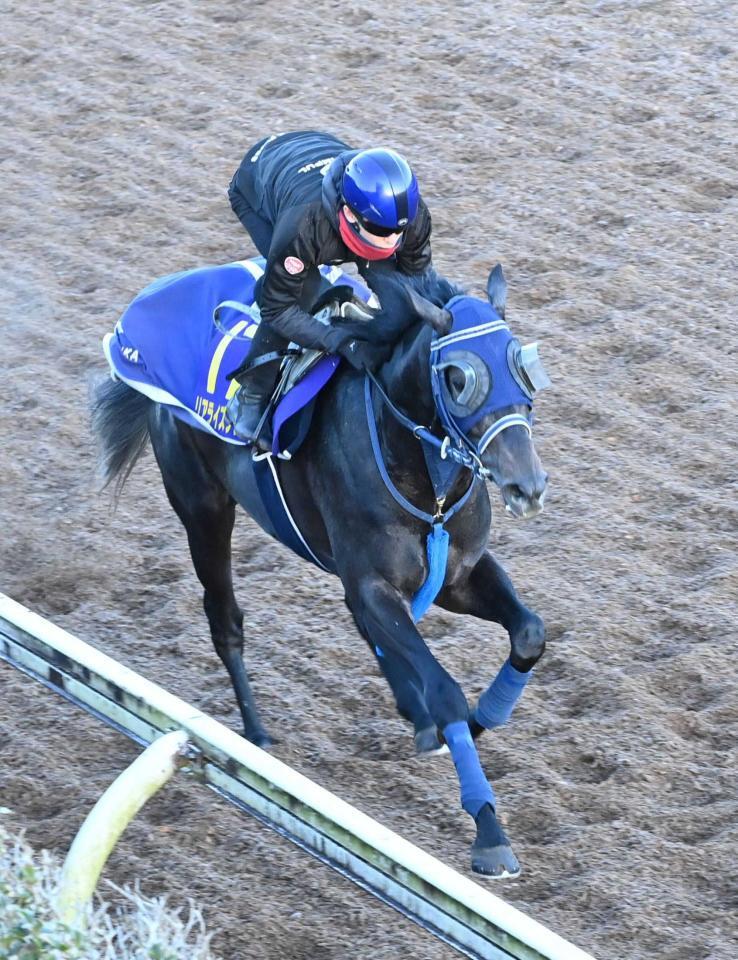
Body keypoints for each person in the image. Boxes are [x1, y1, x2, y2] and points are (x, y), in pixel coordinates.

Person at [225, 130, 433, 444]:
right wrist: (339, 341)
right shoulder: (304, 226)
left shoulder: (410, 218)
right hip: (258, 180)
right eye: (380, 230)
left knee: (393, 283)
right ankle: (251, 396)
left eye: (397, 232)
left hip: (313, 147)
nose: (392, 242)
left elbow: (418, 287)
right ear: (348, 213)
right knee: (304, 288)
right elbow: (278, 308)